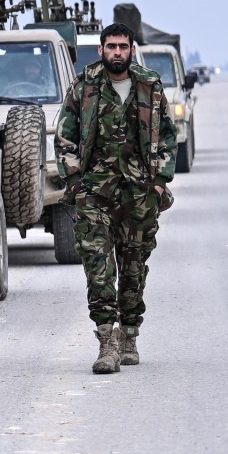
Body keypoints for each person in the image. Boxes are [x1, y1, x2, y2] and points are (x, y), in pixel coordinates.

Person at [54, 22, 177, 374]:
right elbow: (64, 137)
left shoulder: (150, 87)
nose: (117, 52)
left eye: (123, 46)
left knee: (134, 267)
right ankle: (106, 341)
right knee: (98, 266)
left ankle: (130, 335)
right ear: (101, 50)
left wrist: (158, 183)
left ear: (132, 50)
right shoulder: (85, 87)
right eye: (111, 47)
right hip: (95, 193)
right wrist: (75, 182)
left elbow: (168, 137)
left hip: (139, 194)